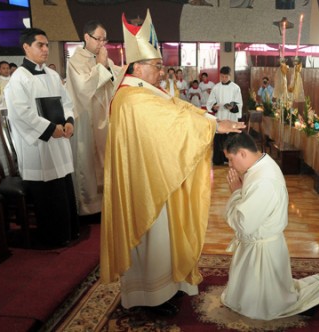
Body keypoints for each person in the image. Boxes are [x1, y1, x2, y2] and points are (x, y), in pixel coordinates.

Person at [100, 9, 245, 317]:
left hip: (160, 175)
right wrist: (214, 126)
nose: (162, 71)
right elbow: (172, 119)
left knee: (165, 239)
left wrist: (214, 120)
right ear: (137, 68)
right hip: (146, 184)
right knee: (153, 240)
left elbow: (179, 109)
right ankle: (150, 296)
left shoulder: (147, 91)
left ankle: (169, 285)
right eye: (156, 66)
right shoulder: (130, 97)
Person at [221, 133, 319, 320]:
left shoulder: (263, 180)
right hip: (262, 244)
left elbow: (244, 224)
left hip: (262, 249)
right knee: (267, 293)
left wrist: (236, 193)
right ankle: (315, 293)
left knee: (269, 306)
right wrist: (240, 193)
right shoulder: (260, 165)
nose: (230, 165)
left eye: (230, 159)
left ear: (242, 153)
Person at [4, 28, 79, 247]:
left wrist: (68, 122)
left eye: (47, 45)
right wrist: (49, 129)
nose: (46, 49)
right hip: (39, 145)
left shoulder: (52, 75)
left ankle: (69, 231)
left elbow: (66, 102)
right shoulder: (18, 79)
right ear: (26, 47)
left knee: (63, 186)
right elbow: (21, 113)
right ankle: (53, 237)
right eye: (40, 45)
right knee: (48, 191)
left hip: (58, 139)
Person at [66, 20, 119, 221]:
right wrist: (100, 66)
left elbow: (116, 77)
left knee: (105, 160)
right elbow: (83, 88)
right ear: (86, 37)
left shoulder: (103, 58)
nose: (102, 43)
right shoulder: (75, 61)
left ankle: (107, 204)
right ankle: (89, 209)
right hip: (86, 119)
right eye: (98, 39)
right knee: (87, 161)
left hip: (103, 119)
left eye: (105, 39)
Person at [207, 66, 243, 165]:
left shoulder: (235, 88)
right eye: (222, 77)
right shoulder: (216, 87)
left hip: (231, 117)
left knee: (231, 139)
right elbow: (210, 103)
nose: (224, 79)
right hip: (220, 116)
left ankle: (230, 159)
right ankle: (218, 160)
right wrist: (214, 107)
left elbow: (239, 104)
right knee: (219, 139)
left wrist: (232, 107)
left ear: (230, 76)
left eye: (226, 77)